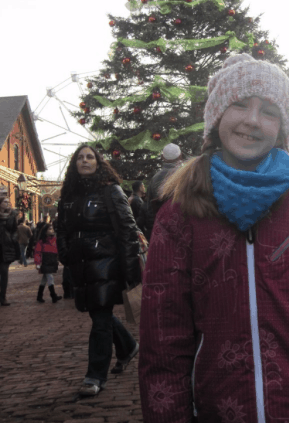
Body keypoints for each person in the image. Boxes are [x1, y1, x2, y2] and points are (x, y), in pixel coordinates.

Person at [139, 54, 289, 423]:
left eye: (268, 110)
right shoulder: (179, 213)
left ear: (282, 127)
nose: (252, 120)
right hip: (216, 415)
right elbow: (162, 341)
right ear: (217, 115)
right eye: (239, 104)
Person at [57, 144, 141, 397]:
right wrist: (66, 256)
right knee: (98, 313)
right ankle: (127, 347)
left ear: (98, 162)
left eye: (90, 157)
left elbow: (128, 230)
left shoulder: (110, 191)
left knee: (101, 319)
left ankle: (95, 375)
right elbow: (62, 229)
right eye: (80, 158)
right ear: (74, 164)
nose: (85, 161)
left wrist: (130, 270)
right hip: (80, 263)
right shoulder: (68, 195)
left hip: (106, 261)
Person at [137, 143, 182, 239]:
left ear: (162, 157)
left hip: (160, 231)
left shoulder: (155, 179)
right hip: (184, 229)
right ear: (180, 156)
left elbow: (148, 207)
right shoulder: (189, 175)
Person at [34, 221, 62, 303]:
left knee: (45, 279)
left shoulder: (54, 240)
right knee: (50, 278)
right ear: (45, 231)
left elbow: (57, 251)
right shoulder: (41, 242)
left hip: (51, 261)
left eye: (52, 228)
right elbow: (37, 252)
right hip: (45, 262)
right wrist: (37, 263)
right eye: (50, 229)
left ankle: (39, 295)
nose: (52, 230)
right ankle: (53, 295)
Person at [0, 196, 19, 306]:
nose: (7, 204)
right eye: (5, 202)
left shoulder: (12, 216)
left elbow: (15, 230)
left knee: (4, 272)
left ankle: (3, 297)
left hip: (6, 247)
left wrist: (13, 238)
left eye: (8, 202)